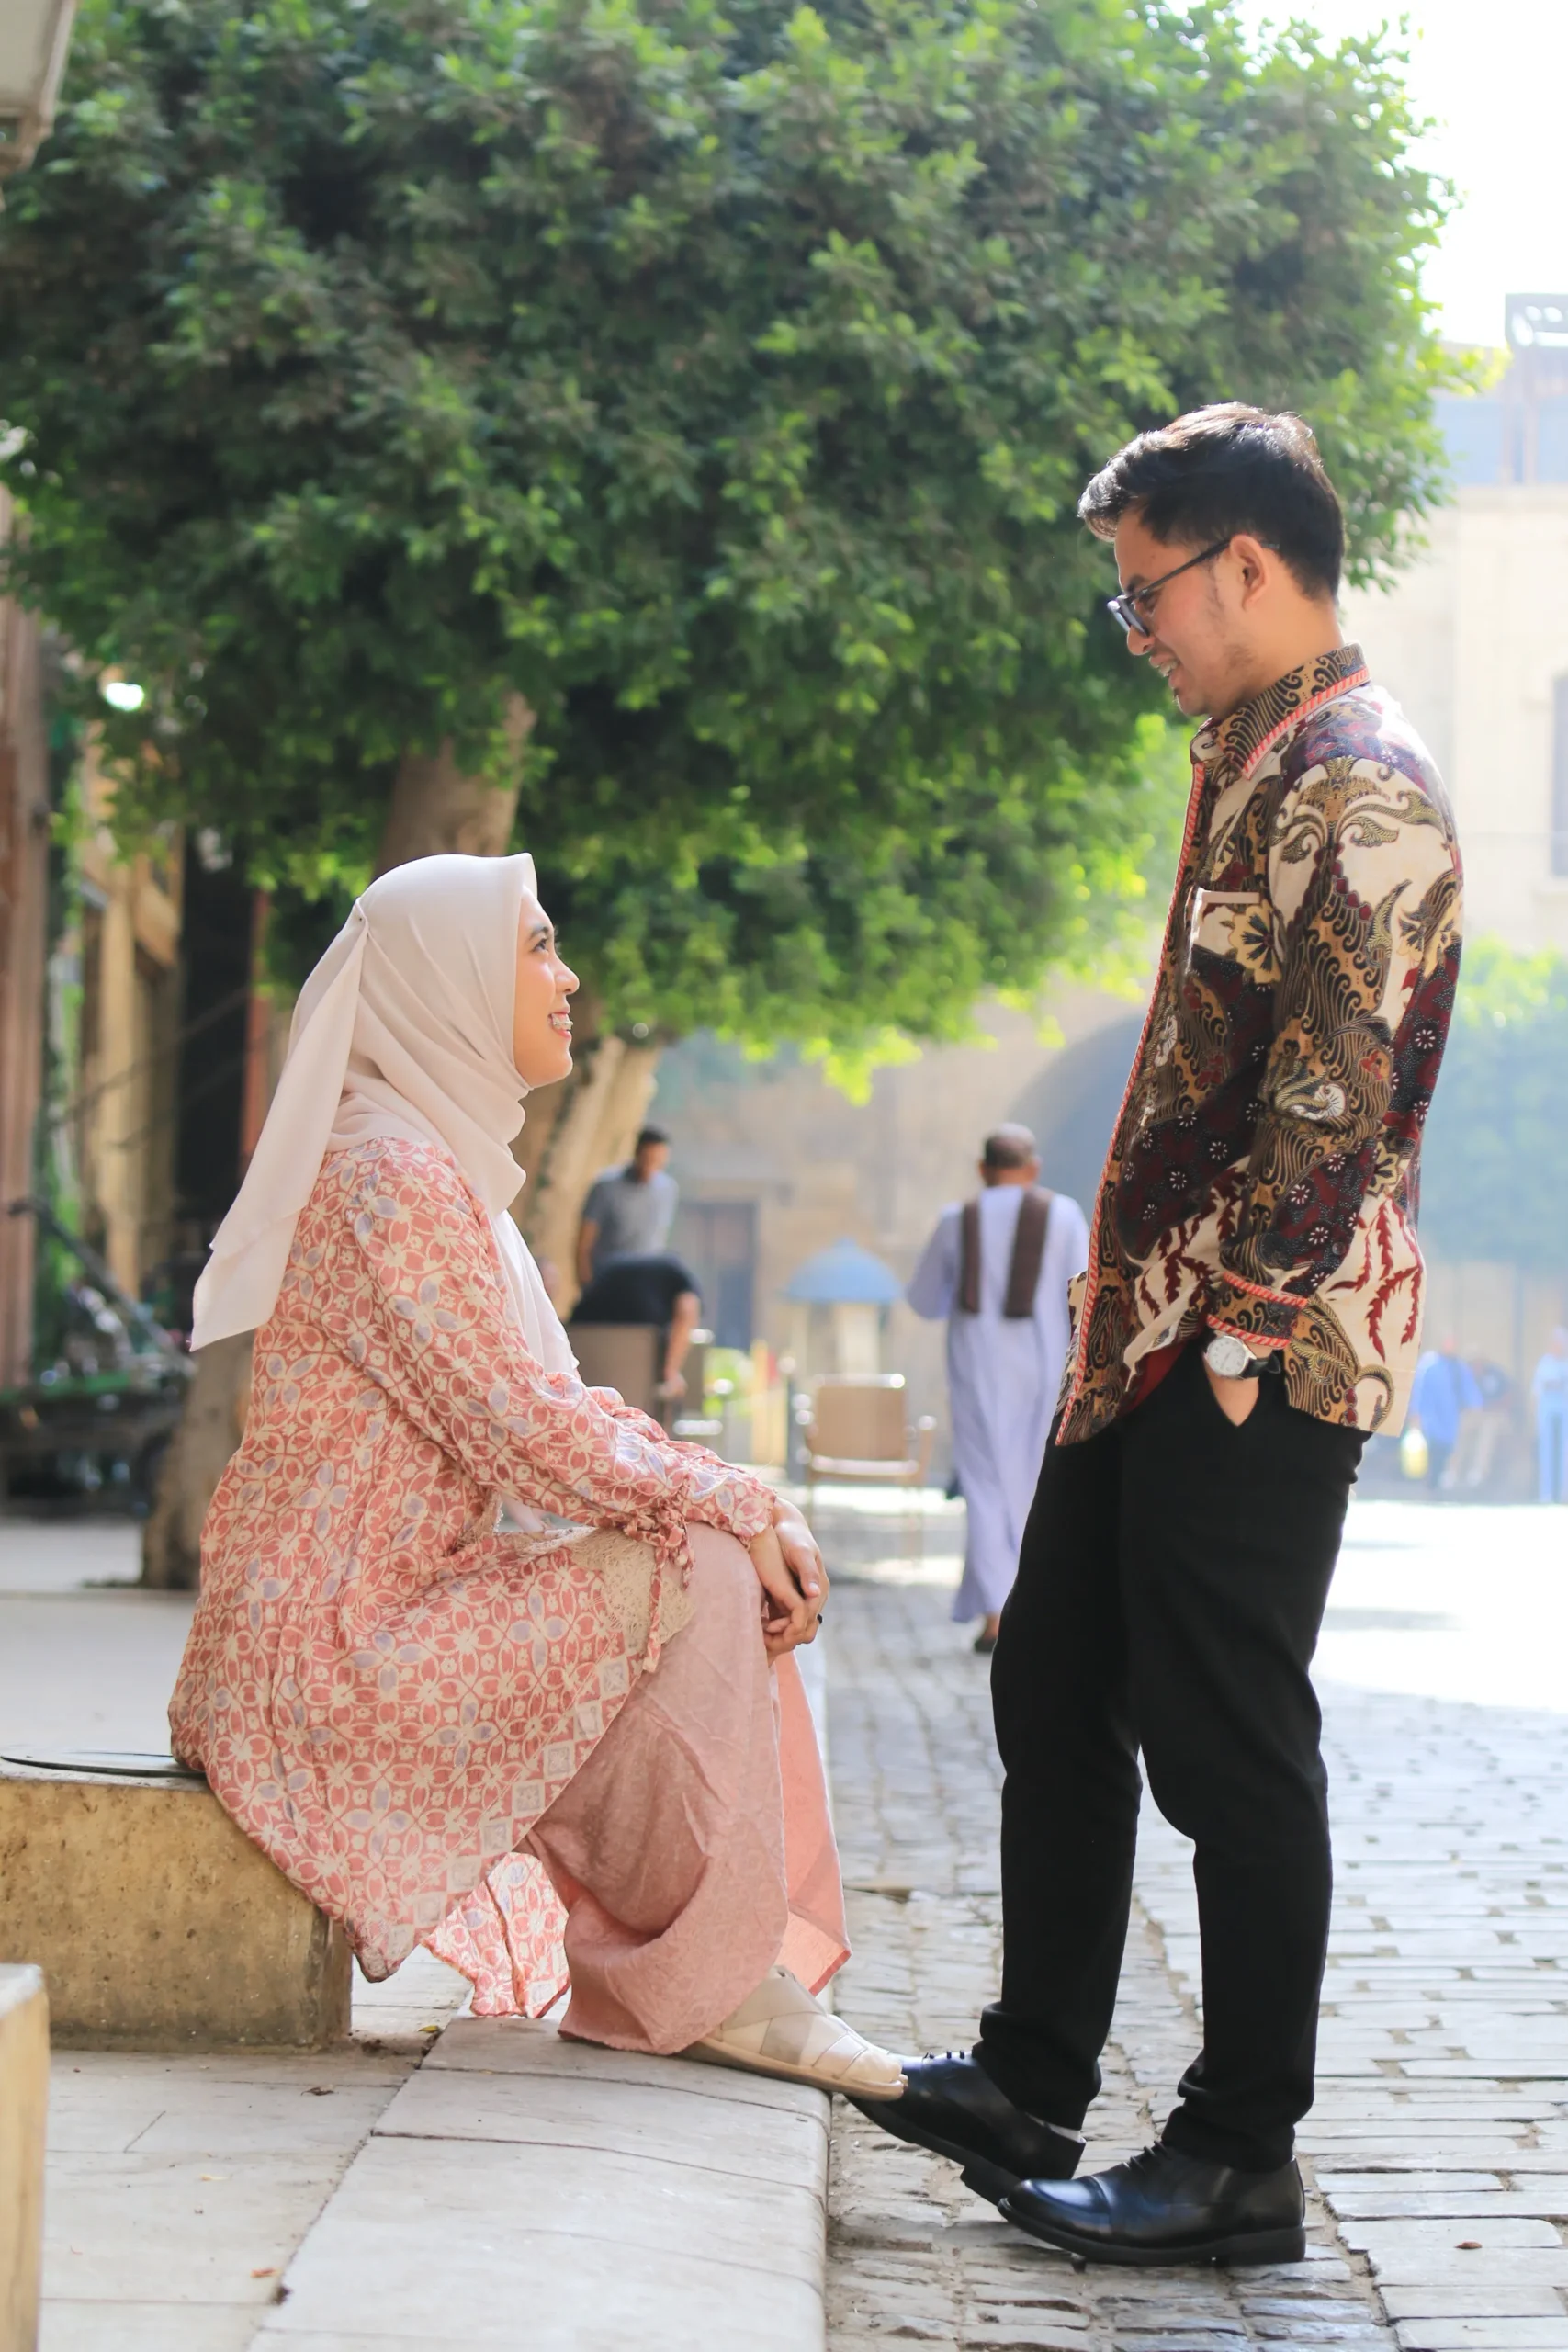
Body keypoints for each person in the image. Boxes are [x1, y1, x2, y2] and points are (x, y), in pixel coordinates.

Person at [852, 405, 1461, 2267]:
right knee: (1050, 1683)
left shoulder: (1359, 777)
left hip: (1258, 1344)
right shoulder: (1256, 755)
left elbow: (1334, 1092)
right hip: (1150, 1333)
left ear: (1246, 566)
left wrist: (1239, 1334)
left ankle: (1235, 2156)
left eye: (1146, 595)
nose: (1134, 633)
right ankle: (1030, 2072)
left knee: (1225, 1739)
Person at [168, 852, 901, 2101]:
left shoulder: (428, 1169)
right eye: (537, 947)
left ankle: (704, 1964)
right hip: (327, 1652)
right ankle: (704, 1977)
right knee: (689, 1563)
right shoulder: (390, 1180)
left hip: (374, 1617)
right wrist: (737, 1504)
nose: (566, 979)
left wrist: (740, 1496)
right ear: (445, 980)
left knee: (692, 1552)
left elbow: (554, 1408)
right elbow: (523, 1429)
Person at [906, 1125, 1089, 1653]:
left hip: (977, 1369)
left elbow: (924, 1301)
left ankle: (995, 1616)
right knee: (1036, 1482)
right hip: (1044, 1369)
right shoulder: (1063, 1215)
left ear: (982, 1169)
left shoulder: (955, 1220)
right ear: (1033, 1169)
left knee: (984, 1487)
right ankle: (1038, 1606)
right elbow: (1086, 1290)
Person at [571, 1249, 704, 1402]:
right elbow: (687, 1310)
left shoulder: (651, 1269)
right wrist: (672, 1372)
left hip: (580, 1331)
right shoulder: (681, 1280)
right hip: (634, 1336)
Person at [577, 1127, 678, 1286]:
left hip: (647, 1280)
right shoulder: (606, 1187)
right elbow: (585, 1240)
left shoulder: (668, 1189)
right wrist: (586, 1284)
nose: (651, 1167)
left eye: (657, 1161)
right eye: (648, 1159)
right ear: (637, 1153)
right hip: (609, 1279)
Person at [1409, 1338, 1483, 1492]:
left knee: (1448, 1450)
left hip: (1451, 1417)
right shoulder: (1429, 1364)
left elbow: (1469, 1389)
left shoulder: (1458, 1366)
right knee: (1431, 1449)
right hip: (1431, 1416)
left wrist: (1475, 1407)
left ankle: (1440, 1483)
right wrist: (1415, 1412)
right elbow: (1419, 1389)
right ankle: (1429, 1484)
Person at [1532, 1329, 1568, 1502]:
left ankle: (1564, 1492)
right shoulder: (1544, 1364)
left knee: (1565, 1451)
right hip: (1546, 1410)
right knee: (1546, 1450)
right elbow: (1537, 1390)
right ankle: (1545, 1493)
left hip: (1564, 1409)